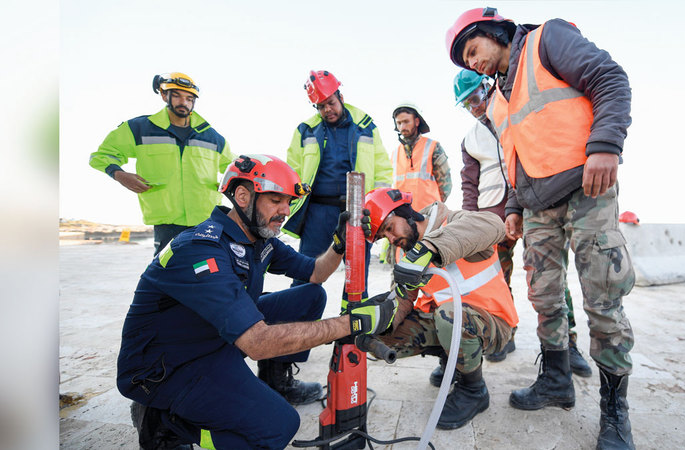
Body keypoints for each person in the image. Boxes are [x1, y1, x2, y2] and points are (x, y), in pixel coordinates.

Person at [447, 7, 636, 449]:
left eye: (474, 50)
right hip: (536, 207)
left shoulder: (547, 40)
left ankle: (615, 410)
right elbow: (515, 157)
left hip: (586, 185)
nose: (474, 63)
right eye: (466, 60)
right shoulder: (497, 97)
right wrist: (513, 205)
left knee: (602, 298)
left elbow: (610, 79)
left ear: (494, 32)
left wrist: (605, 145)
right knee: (544, 297)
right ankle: (555, 380)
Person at [116, 154, 396, 449]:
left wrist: (339, 243)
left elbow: (314, 273)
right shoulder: (201, 250)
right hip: (167, 366)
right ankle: (165, 425)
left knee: (311, 296)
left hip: (215, 337)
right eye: (276, 200)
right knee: (278, 427)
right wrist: (351, 323)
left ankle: (277, 382)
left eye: (288, 202)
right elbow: (257, 343)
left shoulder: (258, 239)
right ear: (242, 195)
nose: (285, 211)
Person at [453, 69, 591, 375]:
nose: (474, 107)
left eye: (475, 98)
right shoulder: (470, 139)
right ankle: (504, 337)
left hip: (531, 209)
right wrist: (469, 222)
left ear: (487, 88)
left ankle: (567, 345)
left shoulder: (514, 114)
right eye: (466, 104)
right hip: (491, 220)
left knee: (548, 276)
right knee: (496, 280)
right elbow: (469, 185)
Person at [364, 187, 518, 430]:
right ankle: (452, 361)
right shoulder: (406, 253)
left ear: (405, 212)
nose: (391, 238)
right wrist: (378, 321)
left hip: (493, 324)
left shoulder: (454, 221)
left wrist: (429, 249)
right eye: (385, 236)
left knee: (448, 315)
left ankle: (473, 390)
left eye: (390, 227)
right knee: (381, 336)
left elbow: (494, 225)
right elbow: (402, 301)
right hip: (449, 323)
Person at [89, 72, 234, 255]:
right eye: (178, 96)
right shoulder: (138, 128)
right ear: (164, 96)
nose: (184, 102)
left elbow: (234, 168)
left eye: (189, 98)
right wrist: (119, 175)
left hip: (206, 218)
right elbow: (101, 156)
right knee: (166, 273)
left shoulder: (212, 137)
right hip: (166, 220)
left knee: (209, 270)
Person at [283, 70, 393, 294]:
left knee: (357, 276)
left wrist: (377, 208)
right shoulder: (305, 130)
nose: (327, 110)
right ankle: (300, 323)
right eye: (321, 106)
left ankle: (353, 325)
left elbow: (382, 169)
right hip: (317, 212)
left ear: (340, 97)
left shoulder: (366, 125)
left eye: (331, 103)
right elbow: (292, 170)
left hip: (357, 211)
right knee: (306, 271)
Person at [383, 102, 452, 265]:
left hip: (428, 222)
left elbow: (446, 185)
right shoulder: (395, 153)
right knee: (402, 274)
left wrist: (434, 211)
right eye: (399, 123)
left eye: (406, 121)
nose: (402, 126)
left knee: (433, 271)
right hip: (402, 224)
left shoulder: (433, 147)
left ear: (417, 121)